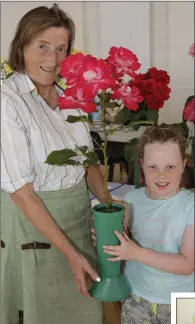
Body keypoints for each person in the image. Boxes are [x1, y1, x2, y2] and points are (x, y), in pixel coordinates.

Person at [1, 4, 127, 324]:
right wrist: (70, 253)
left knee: (83, 310)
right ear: (21, 47)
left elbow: (89, 164)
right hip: (34, 229)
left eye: (61, 49)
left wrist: (110, 207)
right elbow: (21, 193)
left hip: (79, 222)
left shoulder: (70, 95)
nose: (53, 59)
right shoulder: (7, 101)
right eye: (42, 46)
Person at [102, 125, 194, 324]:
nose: (162, 175)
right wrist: (106, 231)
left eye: (170, 166)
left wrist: (135, 253)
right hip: (136, 297)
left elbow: (187, 265)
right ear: (142, 165)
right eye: (153, 166)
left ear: (184, 164)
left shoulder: (191, 207)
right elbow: (119, 245)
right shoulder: (130, 200)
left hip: (184, 301)